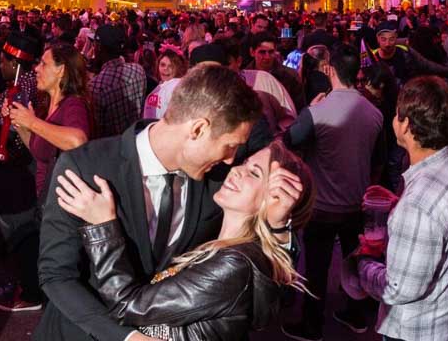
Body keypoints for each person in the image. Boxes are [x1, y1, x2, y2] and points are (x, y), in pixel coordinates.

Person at [34, 65, 304, 341]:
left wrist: (279, 226)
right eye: (231, 145)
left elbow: (263, 295)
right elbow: (56, 275)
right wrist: (125, 338)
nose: (231, 160)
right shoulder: (86, 166)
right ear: (198, 129)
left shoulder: (220, 184)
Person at [56, 140, 315, 340]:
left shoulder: (235, 265)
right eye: (245, 163)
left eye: (254, 173)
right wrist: (279, 228)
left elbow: (128, 305)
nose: (236, 170)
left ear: (273, 201)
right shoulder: (224, 244)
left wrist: (103, 226)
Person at [351, 76, 448, 341]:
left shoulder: (419, 206)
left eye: (396, 115)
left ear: (406, 125)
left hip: (417, 331)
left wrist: (362, 264)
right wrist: (397, 204)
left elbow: (399, 289)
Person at [282, 44, 383, 340]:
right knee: (355, 263)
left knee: (316, 267)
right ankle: (355, 313)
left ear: (331, 71)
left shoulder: (318, 111)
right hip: (356, 203)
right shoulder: (374, 112)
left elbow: (289, 140)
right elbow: (378, 160)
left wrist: (309, 110)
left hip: (323, 206)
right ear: (358, 73)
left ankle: (312, 326)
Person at [0, 43, 92, 311]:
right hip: (48, 199)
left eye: (43, 63)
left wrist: (32, 122)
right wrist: (20, 125)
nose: (36, 69)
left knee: (56, 271)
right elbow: (41, 151)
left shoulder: (73, 104)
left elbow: (77, 140)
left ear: (61, 70)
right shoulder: (50, 105)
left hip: (62, 205)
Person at [89, 24, 146, 138]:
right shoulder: (138, 70)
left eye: (94, 44)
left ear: (99, 47)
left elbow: (95, 130)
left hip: (109, 148)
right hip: (134, 140)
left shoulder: (96, 86)